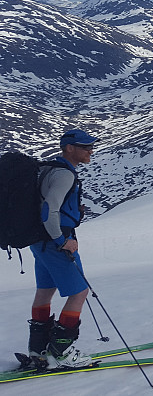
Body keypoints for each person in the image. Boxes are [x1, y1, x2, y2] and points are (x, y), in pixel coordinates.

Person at [26, 129, 98, 369]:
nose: (90, 150)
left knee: (45, 291)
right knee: (79, 292)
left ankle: (38, 349)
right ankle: (61, 353)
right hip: (55, 242)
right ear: (69, 148)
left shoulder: (48, 168)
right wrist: (61, 241)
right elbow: (49, 210)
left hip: (38, 242)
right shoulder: (64, 175)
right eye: (85, 147)